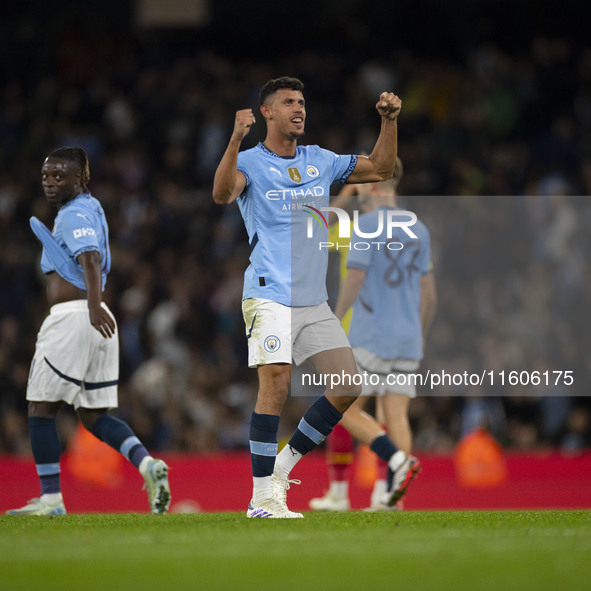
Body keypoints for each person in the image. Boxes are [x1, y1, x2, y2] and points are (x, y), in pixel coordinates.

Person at [212, 76, 416, 518]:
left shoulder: (319, 160)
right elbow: (222, 193)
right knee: (277, 382)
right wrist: (233, 141)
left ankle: (282, 467)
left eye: (302, 101)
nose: (298, 108)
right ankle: (262, 497)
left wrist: (389, 121)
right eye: (288, 102)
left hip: (312, 300)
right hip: (268, 294)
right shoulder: (250, 161)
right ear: (267, 112)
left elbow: (380, 168)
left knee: (347, 385)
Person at [6, 147, 171, 516]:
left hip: (76, 316)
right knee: (93, 415)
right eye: (46, 176)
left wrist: (94, 305)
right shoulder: (89, 208)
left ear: (79, 178)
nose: (50, 183)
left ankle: (50, 499)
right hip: (92, 319)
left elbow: (90, 257)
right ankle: (148, 465)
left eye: (59, 176)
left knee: (40, 407)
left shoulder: (75, 212)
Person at [309, 160, 437, 511]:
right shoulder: (420, 229)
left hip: (368, 332)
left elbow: (353, 276)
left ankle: (395, 463)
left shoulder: (363, 225)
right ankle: (393, 497)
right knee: (394, 414)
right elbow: (430, 295)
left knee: (342, 409)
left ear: (376, 182)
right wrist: (420, 336)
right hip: (409, 336)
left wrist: (333, 319)